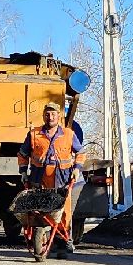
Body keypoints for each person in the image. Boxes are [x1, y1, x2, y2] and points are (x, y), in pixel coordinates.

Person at [17, 103, 83, 251]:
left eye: (53, 114)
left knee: (63, 212)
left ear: (59, 117)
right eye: (47, 114)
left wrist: (77, 169)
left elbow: (81, 153)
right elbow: (22, 154)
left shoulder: (68, 134)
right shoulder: (34, 134)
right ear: (43, 116)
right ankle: (40, 234)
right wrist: (23, 172)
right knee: (38, 210)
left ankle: (64, 239)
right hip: (39, 180)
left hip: (62, 180)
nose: (50, 117)